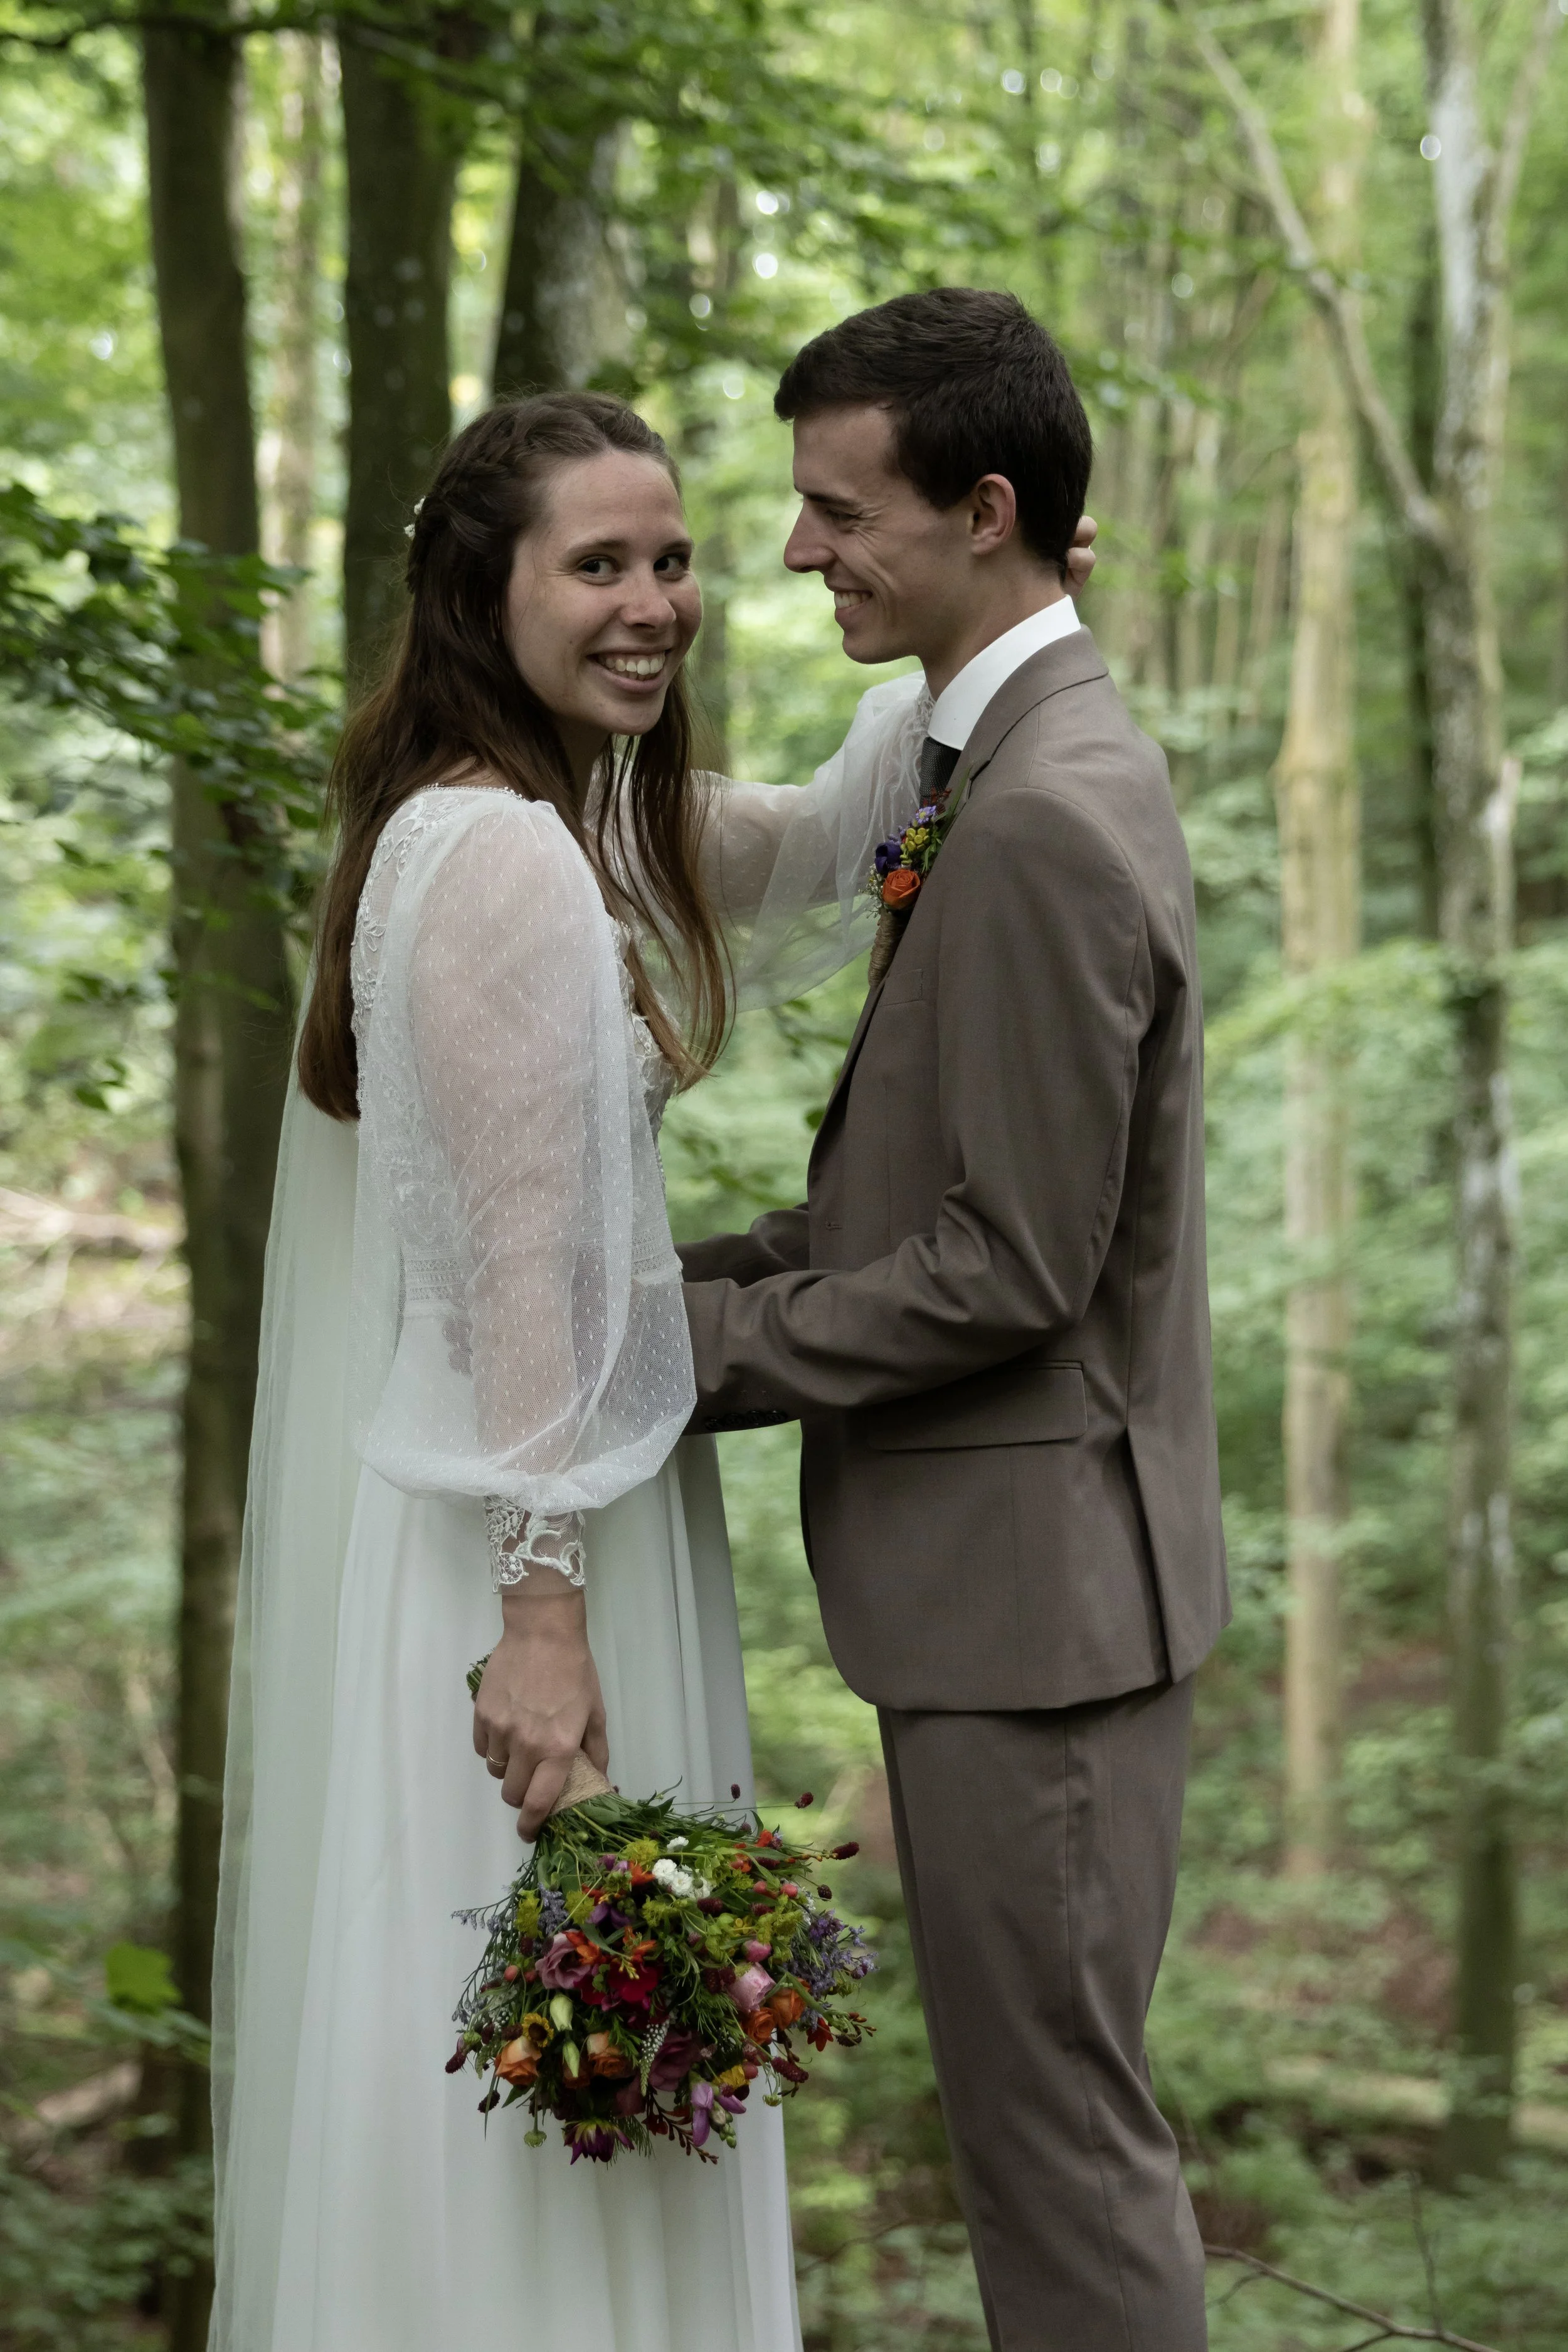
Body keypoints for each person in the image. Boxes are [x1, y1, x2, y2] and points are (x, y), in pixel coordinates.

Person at [679, 289, 1229, 2351]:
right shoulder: (998, 758)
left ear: (984, 511)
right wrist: (660, 1285)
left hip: (1043, 1620)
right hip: (1028, 1600)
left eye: (839, 509)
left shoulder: (1040, 814)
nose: (803, 550)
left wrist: (672, 1366)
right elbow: (891, 1206)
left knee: (1062, 2172)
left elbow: (1007, 1268)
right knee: (1044, 2148)